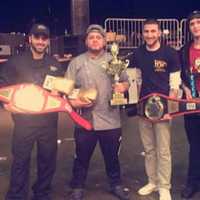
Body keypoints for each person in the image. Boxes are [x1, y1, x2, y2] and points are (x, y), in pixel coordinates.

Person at [65, 24, 130, 200]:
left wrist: (121, 86)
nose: (95, 40)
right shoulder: (76, 62)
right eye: (91, 37)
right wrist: (75, 100)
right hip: (85, 119)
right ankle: (77, 186)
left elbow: (126, 82)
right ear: (86, 41)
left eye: (98, 37)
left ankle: (115, 184)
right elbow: (67, 88)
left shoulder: (114, 60)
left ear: (104, 42)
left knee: (112, 157)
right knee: (81, 156)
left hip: (110, 118)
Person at [0, 23, 64, 200]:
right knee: (21, 160)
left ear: (48, 41)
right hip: (24, 123)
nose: (41, 41)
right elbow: (2, 86)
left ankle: (42, 193)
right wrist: (6, 104)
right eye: (37, 37)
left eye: (44, 38)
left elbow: (62, 87)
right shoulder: (15, 62)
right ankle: (16, 195)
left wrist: (60, 93)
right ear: (30, 39)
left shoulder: (55, 64)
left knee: (47, 160)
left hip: (49, 122)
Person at [131, 19, 181, 200]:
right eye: (146, 31)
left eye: (153, 31)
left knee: (163, 150)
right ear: (142, 33)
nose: (150, 35)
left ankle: (164, 186)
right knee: (149, 148)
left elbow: (174, 84)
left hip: (164, 110)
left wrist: (171, 109)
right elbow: (136, 80)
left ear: (159, 33)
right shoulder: (137, 54)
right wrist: (137, 106)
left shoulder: (170, 53)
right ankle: (152, 181)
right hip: (144, 109)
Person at [180, 11, 200, 199]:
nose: (195, 26)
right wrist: (186, 89)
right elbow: (181, 76)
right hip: (192, 104)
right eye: (192, 23)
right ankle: (192, 182)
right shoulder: (184, 50)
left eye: (198, 22)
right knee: (194, 145)